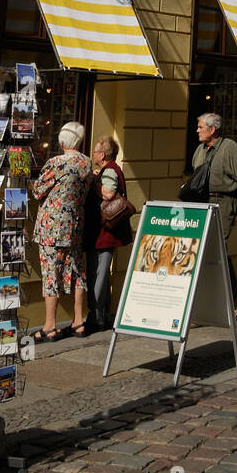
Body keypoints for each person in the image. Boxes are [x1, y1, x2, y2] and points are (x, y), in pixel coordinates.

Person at [31, 121, 93, 340]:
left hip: (53, 226)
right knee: (77, 271)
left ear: (62, 140)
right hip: (75, 225)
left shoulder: (57, 163)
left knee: (51, 273)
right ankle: (78, 321)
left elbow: (38, 191)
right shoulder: (86, 162)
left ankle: (50, 325)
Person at [191, 113, 237, 318]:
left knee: (219, 250)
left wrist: (234, 210)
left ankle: (234, 295)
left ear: (212, 129)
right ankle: (205, 305)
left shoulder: (229, 148)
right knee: (203, 253)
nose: (197, 130)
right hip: (202, 204)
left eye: (200, 127)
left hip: (222, 204)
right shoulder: (199, 150)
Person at [84, 136, 131, 332]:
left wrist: (94, 182)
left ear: (102, 154)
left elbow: (109, 193)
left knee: (99, 274)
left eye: (95, 151)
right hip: (105, 231)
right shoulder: (109, 169)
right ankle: (101, 314)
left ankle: (97, 317)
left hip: (104, 231)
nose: (93, 154)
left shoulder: (110, 169)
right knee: (99, 273)